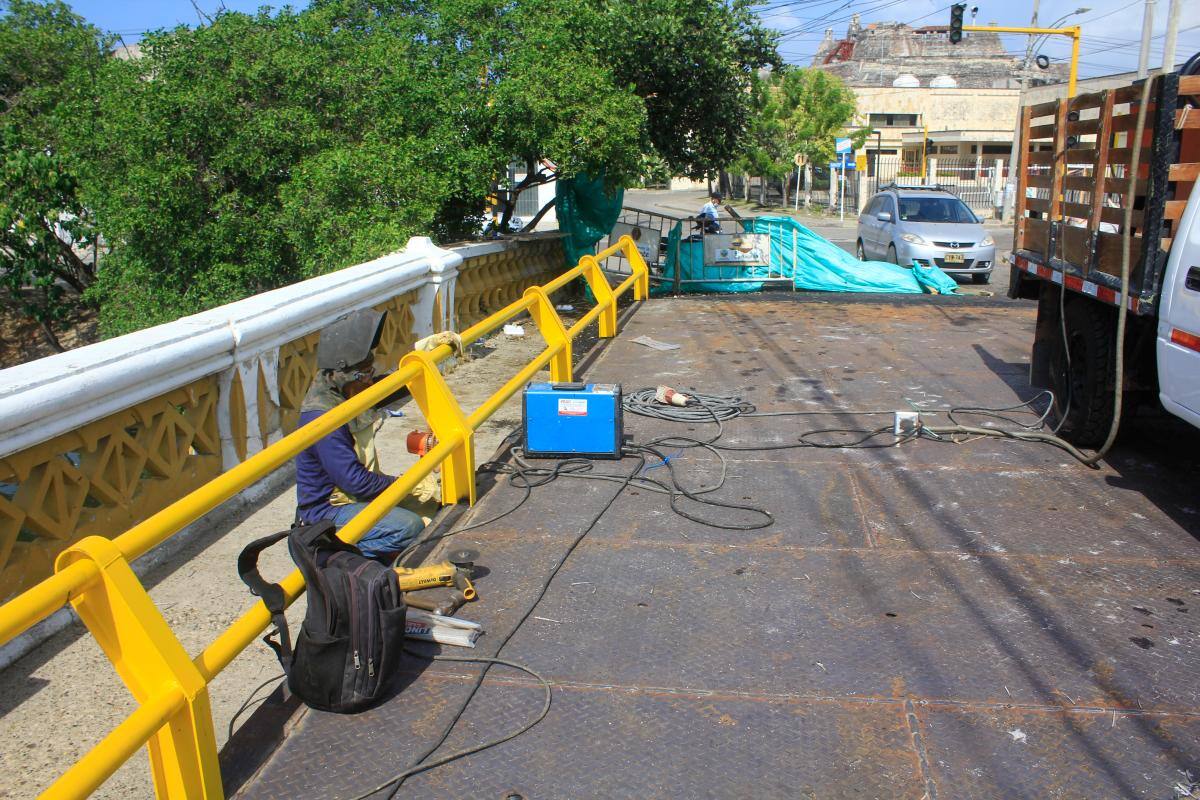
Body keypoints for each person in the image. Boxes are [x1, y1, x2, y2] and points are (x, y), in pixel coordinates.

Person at [294, 308, 424, 562]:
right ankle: (331, 559)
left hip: (348, 498)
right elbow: (356, 483)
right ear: (344, 374)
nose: (370, 381)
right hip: (327, 511)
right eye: (365, 374)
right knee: (408, 526)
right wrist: (407, 485)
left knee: (434, 508)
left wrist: (425, 360)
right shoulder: (323, 417)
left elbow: (389, 388)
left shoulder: (344, 392)